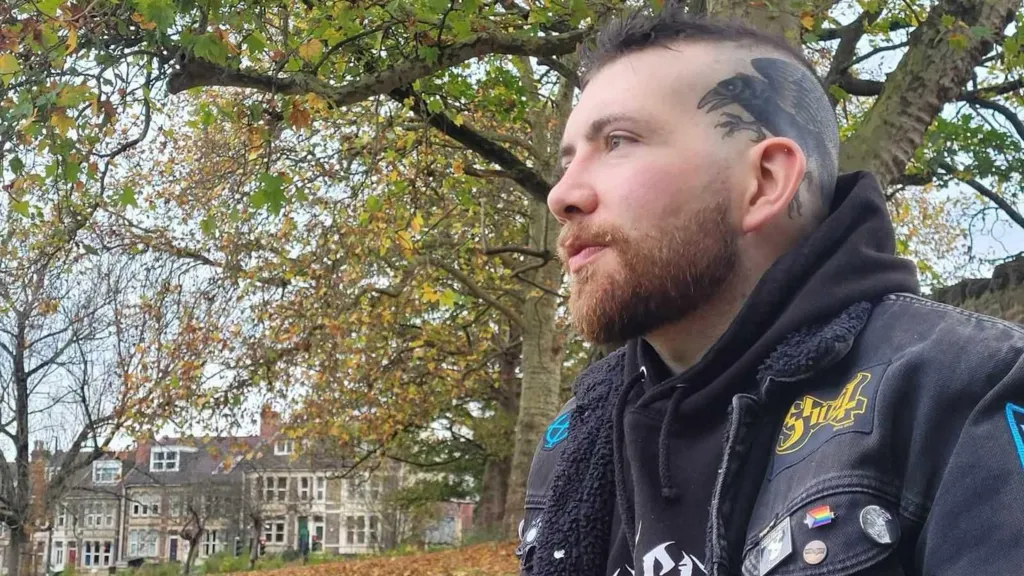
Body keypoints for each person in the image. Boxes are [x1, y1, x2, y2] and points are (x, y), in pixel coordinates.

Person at [516, 7, 1024, 576]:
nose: (562, 195)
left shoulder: (966, 391)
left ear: (765, 182)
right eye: (567, 161)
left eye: (618, 141)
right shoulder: (574, 439)